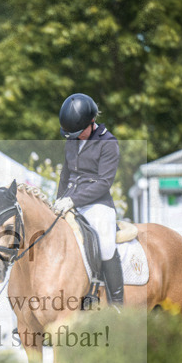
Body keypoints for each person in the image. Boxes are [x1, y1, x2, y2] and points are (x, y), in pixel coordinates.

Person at [54, 92, 124, 307]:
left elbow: (104, 183)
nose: (74, 137)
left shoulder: (108, 143)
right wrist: (58, 201)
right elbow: (65, 176)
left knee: (104, 244)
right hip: (70, 203)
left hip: (97, 205)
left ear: (92, 122)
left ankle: (117, 303)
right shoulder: (72, 139)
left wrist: (73, 201)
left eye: (78, 132)